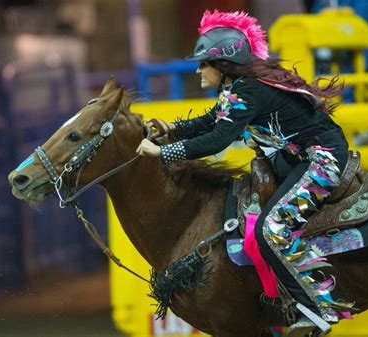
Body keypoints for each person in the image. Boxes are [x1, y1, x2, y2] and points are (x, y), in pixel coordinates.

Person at [136, 9, 353, 333]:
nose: (197, 70)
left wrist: (163, 152)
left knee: (271, 228)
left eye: (203, 63)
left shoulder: (248, 90)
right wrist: (171, 130)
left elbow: (217, 140)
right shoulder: (239, 89)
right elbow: (210, 122)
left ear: (222, 65)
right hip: (293, 159)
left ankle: (314, 310)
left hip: (320, 160)